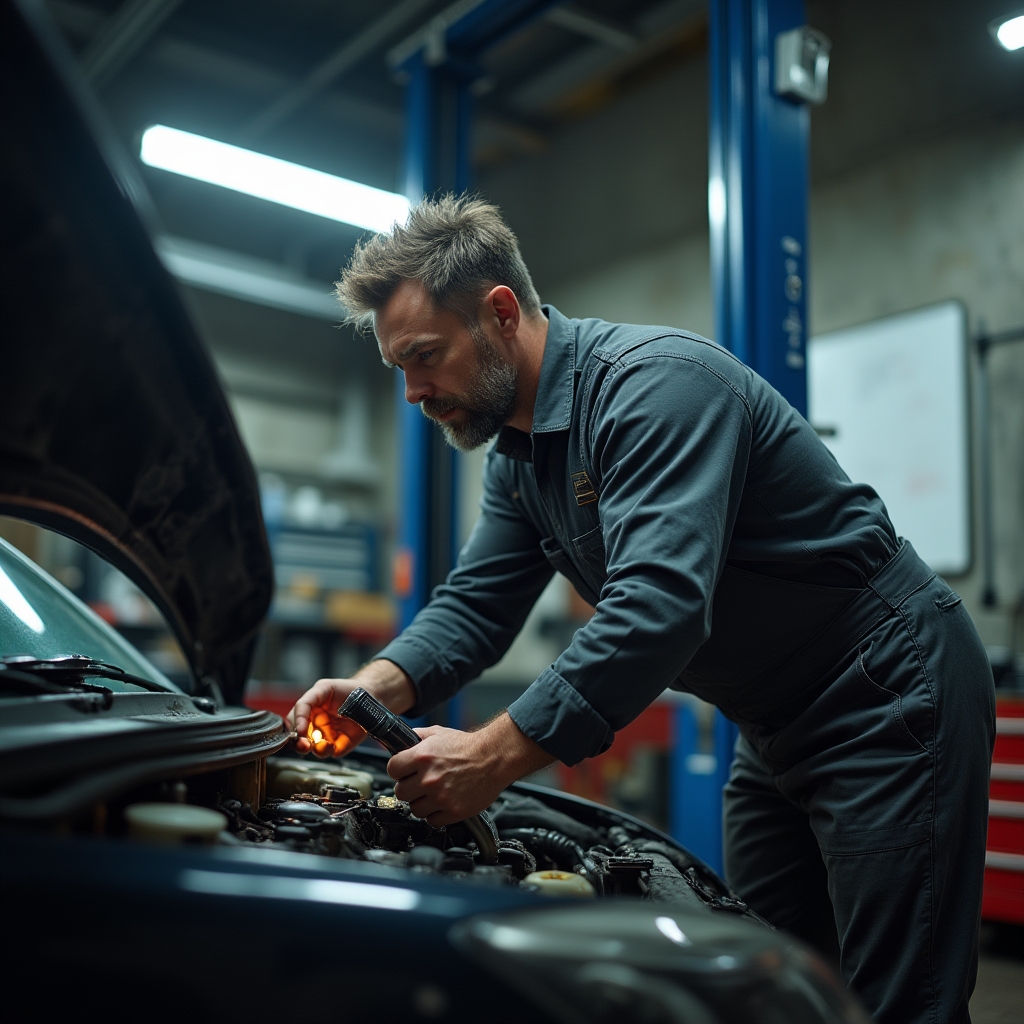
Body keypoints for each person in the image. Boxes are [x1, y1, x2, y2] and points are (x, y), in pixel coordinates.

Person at [287, 195, 994, 1023]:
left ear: (500, 313)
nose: (412, 392)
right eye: (397, 368)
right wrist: (371, 688)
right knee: (763, 986)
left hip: (886, 693)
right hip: (772, 726)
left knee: (898, 1005)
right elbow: (477, 602)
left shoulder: (654, 388)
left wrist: (490, 755)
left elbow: (659, 604)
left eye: (425, 356)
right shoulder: (521, 458)